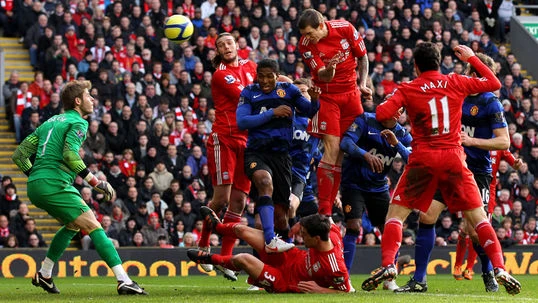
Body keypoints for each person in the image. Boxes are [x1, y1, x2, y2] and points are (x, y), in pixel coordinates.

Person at [360, 43, 521, 295]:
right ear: (439, 63)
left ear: (415, 66)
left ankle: (389, 264)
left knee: (396, 214)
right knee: (478, 219)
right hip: (454, 159)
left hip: (423, 159)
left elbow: (382, 113)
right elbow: (494, 83)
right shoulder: (456, 81)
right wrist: (472, 58)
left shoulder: (409, 88)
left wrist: (399, 106)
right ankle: (499, 267)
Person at [12, 80, 146, 295]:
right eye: (88, 96)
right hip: (54, 183)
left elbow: (19, 155)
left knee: (73, 225)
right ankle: (124, 280)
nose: (92, 99)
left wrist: (36, 176)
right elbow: (70, 155)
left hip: (36, 185)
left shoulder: (49, 122)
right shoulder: (79, 122)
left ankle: (45, 274)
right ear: (77, 101)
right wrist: (96, 182)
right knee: (94, 225)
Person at [394, 53, 509, 293]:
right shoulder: (456, 91)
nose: (466, 73)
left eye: (470, 70)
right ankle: (419, 280)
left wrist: (472, 140)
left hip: (476, 171)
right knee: (426, 216)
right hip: (449, 164)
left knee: (473, 229)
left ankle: (489, 272)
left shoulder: (491, 103)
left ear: (478, 74)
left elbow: (503, 142)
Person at [236, 59, 320, 252]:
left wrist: (315, 100)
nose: (264, 81)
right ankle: (269, 239)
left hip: (282, 156)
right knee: (264, 182)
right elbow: (242, 121)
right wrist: (272, 113)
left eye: (269, 76)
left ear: (277, 76)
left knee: (282, 215)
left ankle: (282, 259)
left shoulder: (288, 91)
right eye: (261, 76)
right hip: (256, 153)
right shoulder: (249, 92)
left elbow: (309, 111)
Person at [298, 8, 371, 217]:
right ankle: (324, 211)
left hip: (351, 95)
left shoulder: (346, 28)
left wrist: (363, 84)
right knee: (331, 149)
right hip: (327, 96)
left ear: (322, 25)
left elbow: (363, 57)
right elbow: (323, 75)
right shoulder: (305, 45)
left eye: (310, 33)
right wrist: (330, 68)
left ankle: (330, 210)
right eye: (304, 35)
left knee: (341, 153)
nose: (307, 38)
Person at [196, 33, 257, 280]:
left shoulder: (251, 66)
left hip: (248, 140)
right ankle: (203, 246)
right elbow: (248, 95)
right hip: (225, 139)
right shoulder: (221, 74)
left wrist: (290, 85)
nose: (226, 47)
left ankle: (226, 260)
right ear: (218, 52)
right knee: (221, 200)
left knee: (239, 203)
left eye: (229, 42)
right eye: (221, 45)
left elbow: (270, 81)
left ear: (237, 45)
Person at [189, 207, 353, 293]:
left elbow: (347, 292)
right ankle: (218, 226)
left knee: (243, 258)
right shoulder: (331, 232)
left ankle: (210, 259)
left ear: (317, 238)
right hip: (289, 255)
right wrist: (300, 224)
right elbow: (324, 219)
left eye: (304, 235)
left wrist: (320, 291)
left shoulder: (335, 266)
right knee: (242, 231)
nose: (301, 238)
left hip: (285, 281)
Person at [339, 110, 411, 279]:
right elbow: (346, 143)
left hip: (378, 187)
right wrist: (366, 155)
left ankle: (390, 274)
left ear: (399, 114)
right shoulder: (366, 119)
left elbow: (412, 158)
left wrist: (396, 144)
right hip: (354, 183)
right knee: (353, 226)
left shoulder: (402, 134)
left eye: (397, 109)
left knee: (389, 228)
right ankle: (344, 276)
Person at [288, 78, 320, 220]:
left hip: (303, 181)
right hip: (283, 174)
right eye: (296, 94)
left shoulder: (318, 119)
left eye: (303, 92)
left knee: (321, 222)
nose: (300, 97)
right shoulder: (286, 116)